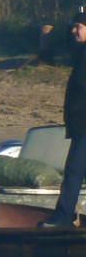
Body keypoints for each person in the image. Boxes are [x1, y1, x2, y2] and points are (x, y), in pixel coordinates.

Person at [42, 12, 86, 228]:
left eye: (78, 27)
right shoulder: (81, 52)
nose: (73, 31)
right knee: (74, 172)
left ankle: (64, 216)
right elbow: (69, 45)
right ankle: (65, 215)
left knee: (74, 172)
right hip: (80, 125)